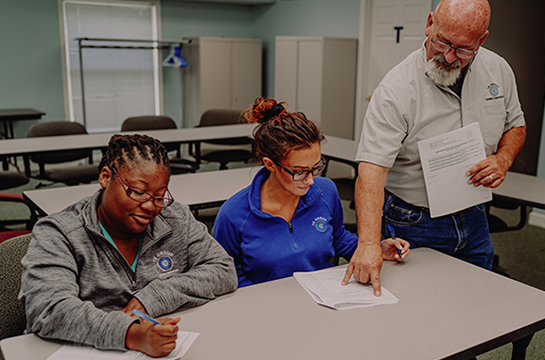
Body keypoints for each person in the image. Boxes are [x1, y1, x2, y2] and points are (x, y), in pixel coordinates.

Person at [343, 0, 526, 296]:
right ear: (430, 24)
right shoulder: (397, 89)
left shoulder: (499, 71)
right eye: (442, 41)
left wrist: (503, 159)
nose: (449, 56)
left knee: (477, 303)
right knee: (417, 313)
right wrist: (368, 243)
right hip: (414, 221)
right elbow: (372, 171)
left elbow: (516, 125)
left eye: (463, 49)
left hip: (475, 216)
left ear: (481, 40)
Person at [19, 134, 237, 358]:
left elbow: (223, 270)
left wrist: (152, 298)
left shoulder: (176, 218)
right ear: (105, 177)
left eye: (160, 197)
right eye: (138, 192)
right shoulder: (59, 232)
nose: (150, 207)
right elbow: (48, 308)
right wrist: (130, 334)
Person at [213, 98, 409, 287]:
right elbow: (226, 272)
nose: (311, 180)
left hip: (324, 298)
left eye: (316, 167)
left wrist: (374, 248)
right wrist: (261, 299)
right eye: (299, 172)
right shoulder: (233, 214)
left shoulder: (326, 191)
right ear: (270, 165)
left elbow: (337, 236)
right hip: (269, 308)